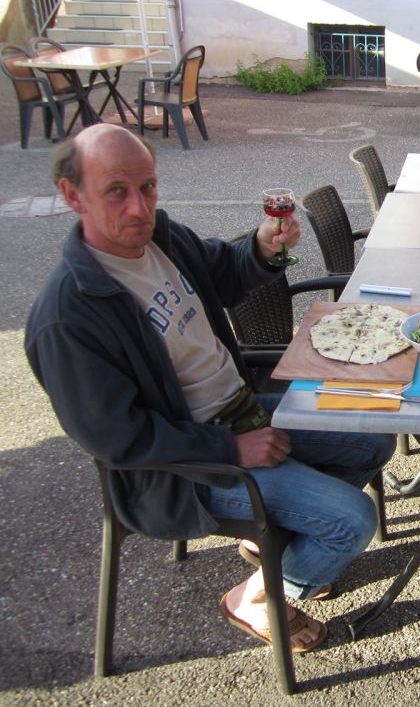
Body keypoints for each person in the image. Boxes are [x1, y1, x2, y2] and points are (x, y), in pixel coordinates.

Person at [24, 124, 395, 653]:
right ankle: (259, 597)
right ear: (72, 194)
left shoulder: (161, 237)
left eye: (147, 187)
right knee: (352, 520)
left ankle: (276, 544)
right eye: (116, 191)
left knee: (373, 438)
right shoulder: (67, 316)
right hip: (181, 469)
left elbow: (223, 273)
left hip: (242, 408)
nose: (139, 207)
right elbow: (116, 439)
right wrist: (231, 449)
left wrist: (262, 249)